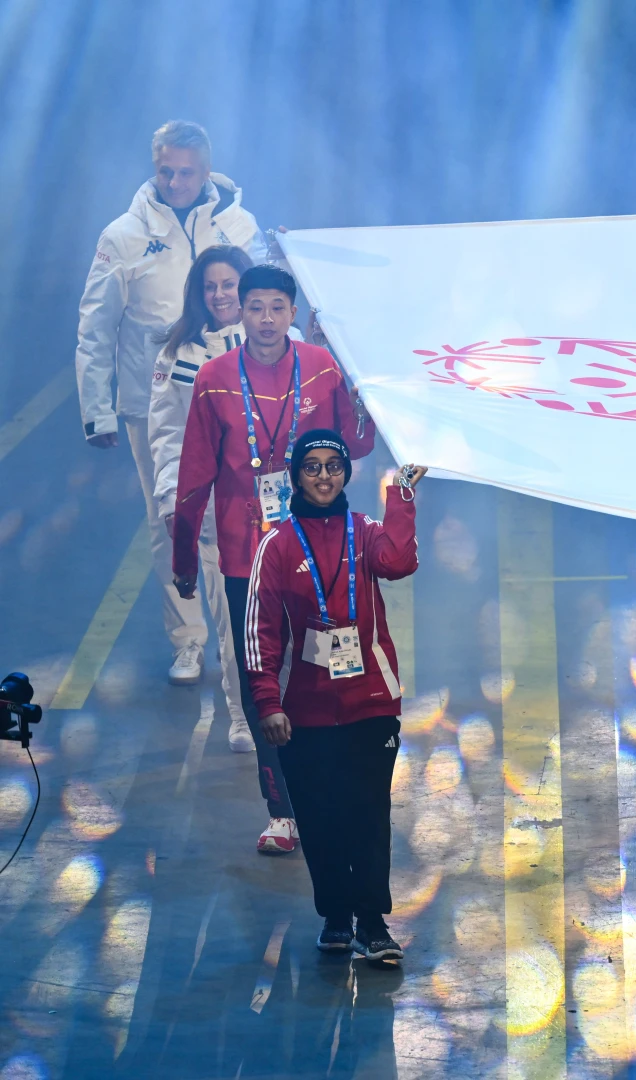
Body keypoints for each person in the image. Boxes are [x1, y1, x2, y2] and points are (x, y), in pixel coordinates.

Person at [172, 264, 375, 854]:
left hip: (321, 549)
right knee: (264, 679)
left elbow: (357, 444)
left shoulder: (322, 367)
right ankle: (282, 812)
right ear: (237, 309)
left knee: (329, 668)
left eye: (276, 308)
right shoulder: (213, 379)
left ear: (292, 312)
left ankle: (331, 789)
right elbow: (193, 478)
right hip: (246, 557)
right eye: (253, 306)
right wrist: (186, 559)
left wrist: (360, 391)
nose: (264, 319)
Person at [74, 120, 271, 686]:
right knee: (169, 521)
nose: (176, 181)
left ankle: (257, 636)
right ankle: (189, 641)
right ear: (153, 167)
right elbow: (95, 325)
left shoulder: (238, 224)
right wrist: (97, 408)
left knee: (254, 517)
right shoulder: (123, 236)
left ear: (207, 172)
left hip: (241, 399)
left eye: (187, 172)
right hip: (155, 401)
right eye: (166, 171)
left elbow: (265, 298)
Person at [246, 430, 423, 961]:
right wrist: (268, 704)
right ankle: (336, 916)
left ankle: (372, 924)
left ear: (346, 474)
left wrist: (402, 496)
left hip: (372, 703)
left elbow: (400, 562)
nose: (323, 477)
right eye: (312, 467)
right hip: (307, 714)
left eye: (333, 467)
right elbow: (260, 633)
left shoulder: (366, 532)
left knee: (368, 816)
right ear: (297, 476)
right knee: (321, 818)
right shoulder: (275, 547)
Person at [150, 244, 257, 752]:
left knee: (289, 624)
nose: (219, 295)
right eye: (209, 286)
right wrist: (174, 501)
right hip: (219, 517)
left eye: (229, 284)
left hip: (285, 517)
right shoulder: (178, 354)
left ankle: (286, 709)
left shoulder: (291, 344)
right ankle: (242, 716)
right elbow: (167, 435)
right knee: (235, 623)